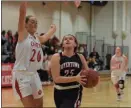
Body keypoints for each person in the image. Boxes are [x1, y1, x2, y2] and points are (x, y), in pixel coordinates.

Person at [12, 2, 56, 107]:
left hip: (34, 75)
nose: (35, 23)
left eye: (36, 22)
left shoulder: (37, 38)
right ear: (25, 24)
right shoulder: (23, 34)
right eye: (32, 21)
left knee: (40, 105)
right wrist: (24, 3)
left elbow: (45, 37)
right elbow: (22, 13)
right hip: (22, 76)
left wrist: (53, 29)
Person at [50, 34, 88, 108]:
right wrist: (76, 78)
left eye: (70, 39)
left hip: (75, 90)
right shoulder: (56, 57)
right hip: (59, 91)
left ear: (75, 44)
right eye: (65, 39)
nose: (67, 40)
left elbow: (88, 73)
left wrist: (93, 78)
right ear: (62, 45)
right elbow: (56, 79)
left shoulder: (80, 57)